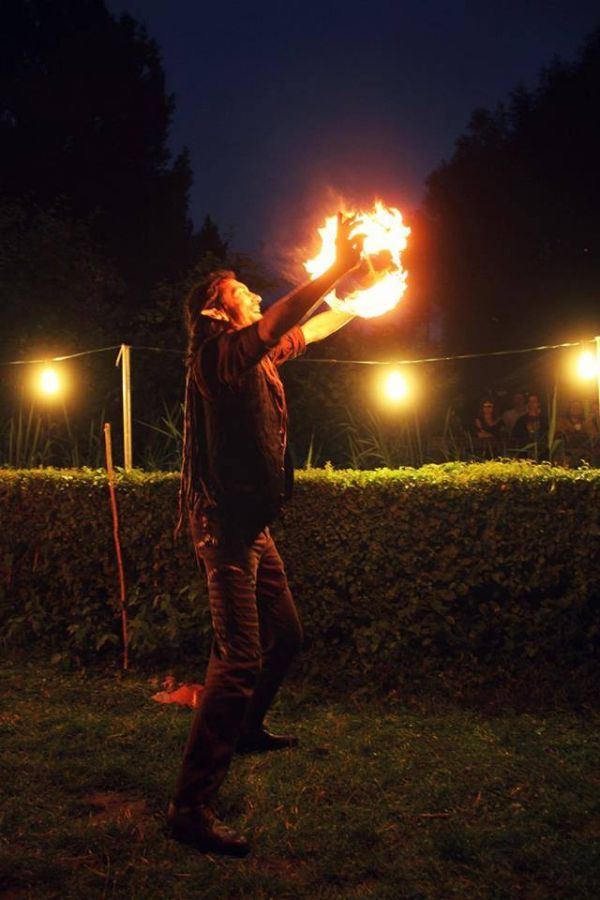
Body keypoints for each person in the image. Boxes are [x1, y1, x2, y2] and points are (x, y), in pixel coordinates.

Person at [168, 215, 364, 856]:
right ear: (215, 307)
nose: (252, 293)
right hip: (225, 529)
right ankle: (190, 807)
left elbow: (310, 324)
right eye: (241, 289)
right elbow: (279, 320)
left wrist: (360, 292)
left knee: (288, 634)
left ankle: (245, 729)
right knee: (238, 659)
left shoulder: (253, 353)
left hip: (254, 526)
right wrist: (332, 266)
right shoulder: (219, 357)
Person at [511, 393, 549, 458]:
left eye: (534, 401)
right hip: (525, 451)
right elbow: (515, 435)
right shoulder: (522, 420)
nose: (532, 404)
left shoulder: (544, 420)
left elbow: (547, 433)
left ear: (538, 403)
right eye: (530, 402)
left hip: (542, 451)